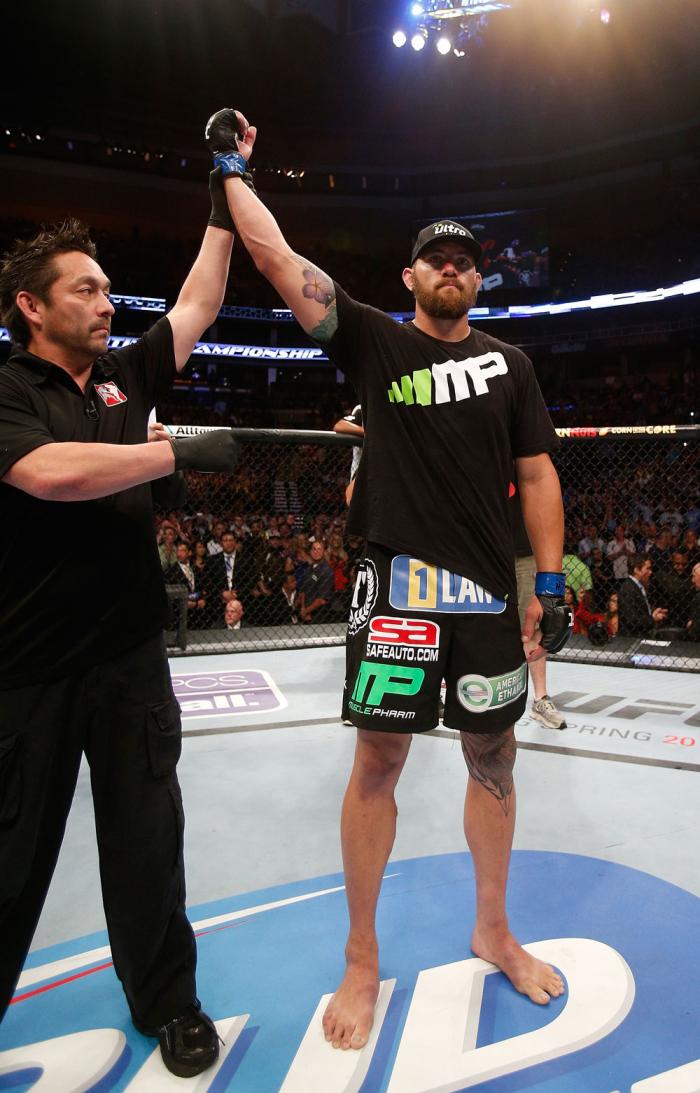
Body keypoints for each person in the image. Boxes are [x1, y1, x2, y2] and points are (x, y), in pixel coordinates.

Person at [205, 107, 572, 1050]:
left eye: (464, 259)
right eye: (434, 258)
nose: (451, 268)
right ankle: (361, 955)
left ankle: (493, 926)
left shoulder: (512, 364)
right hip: (398, 593)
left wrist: (551, 586)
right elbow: (281, 262)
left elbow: (537, 474)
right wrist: (228, 169)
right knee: (379, 763)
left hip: (488, 594)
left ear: (477, 278)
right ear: (410, 276)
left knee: (494, 758)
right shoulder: (373, 339)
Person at [0, 178, 240, 1077]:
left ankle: (169, 1002)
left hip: (130, 657)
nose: (107, 303)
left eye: (108, 290)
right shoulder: (10, 390)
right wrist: (172, 450)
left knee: (148, 841)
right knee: (11, 855)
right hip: (28, 667)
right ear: (31, 305)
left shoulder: (124, 376)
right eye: (85, 290)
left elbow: (201, 300)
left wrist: (224, 190)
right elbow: (47, 472)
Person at [510, 486, 566, 730]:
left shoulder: (521, 454)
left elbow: (540, 491)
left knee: (530, 625)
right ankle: (441, 688)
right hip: (478, 547)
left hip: (522, 549)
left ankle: (541, 699)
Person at [618, 554, 669, 635]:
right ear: (636, 570)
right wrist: (653, 618)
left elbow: (641, 610)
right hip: (632, 637)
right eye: (647, 569)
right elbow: (631, 619)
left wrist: (654, 612)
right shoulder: (628, 589)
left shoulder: (638, 585)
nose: (650, 572)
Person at [333, 404, 364, 506]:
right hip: (362, 465)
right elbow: (340, 425)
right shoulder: (362, 408)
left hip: (389, 464)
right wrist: (369, 432)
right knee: (352, 501)